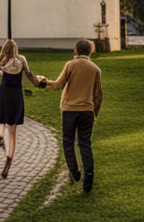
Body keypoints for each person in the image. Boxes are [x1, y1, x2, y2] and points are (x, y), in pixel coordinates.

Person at [37, 39, 102, 193]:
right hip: (87, 111)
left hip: (69, 110)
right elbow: (98, 96)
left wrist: (44, 82)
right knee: (85, 143)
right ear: (90, 51)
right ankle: (89, 176)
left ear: (76, 50)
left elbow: (59, 84)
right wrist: (94, 114)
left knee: (68, 142)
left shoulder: (70, 65)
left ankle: (74, 171)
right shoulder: (95, 69)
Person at [0, 38, 40, 178]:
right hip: (16, 97)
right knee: (13, 131)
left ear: (4, 49)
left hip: (3, 95)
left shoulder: (2, 62)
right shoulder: (22, 60)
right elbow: (29, 75)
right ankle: (8, 164)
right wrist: (38, 82)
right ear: (16, 49)